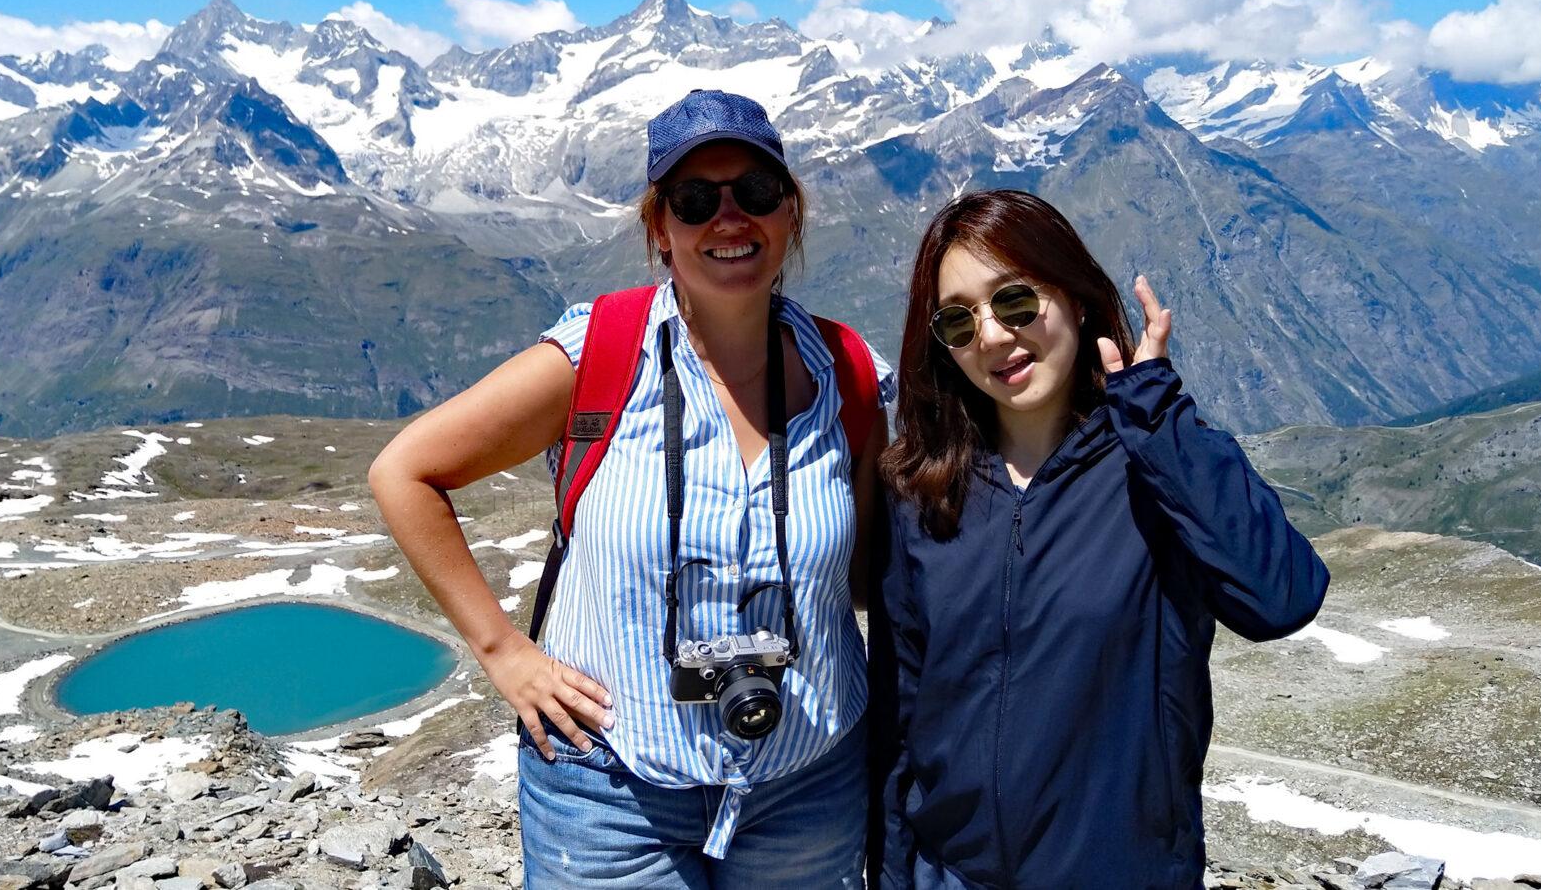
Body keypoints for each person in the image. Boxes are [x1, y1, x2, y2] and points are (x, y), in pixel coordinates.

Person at [371, 89, 895, 888]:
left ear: (790, 211)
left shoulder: (848, 372)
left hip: (809, 777)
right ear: (659, 227)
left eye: (756, 191)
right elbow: (404, 470)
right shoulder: (597, 354)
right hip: (612, 788)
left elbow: (867, 573)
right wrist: (502, 651)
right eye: (695, 200)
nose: (729, 218)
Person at [868, 189, 1329, 890]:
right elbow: (898, 716)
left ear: (1076, 299)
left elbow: (1281, 597)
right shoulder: (921, 491)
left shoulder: (1153, 467)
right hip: (951, 875)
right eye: (958, 320)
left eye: (1015, 301)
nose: (991, 336)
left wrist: (1157, 416)